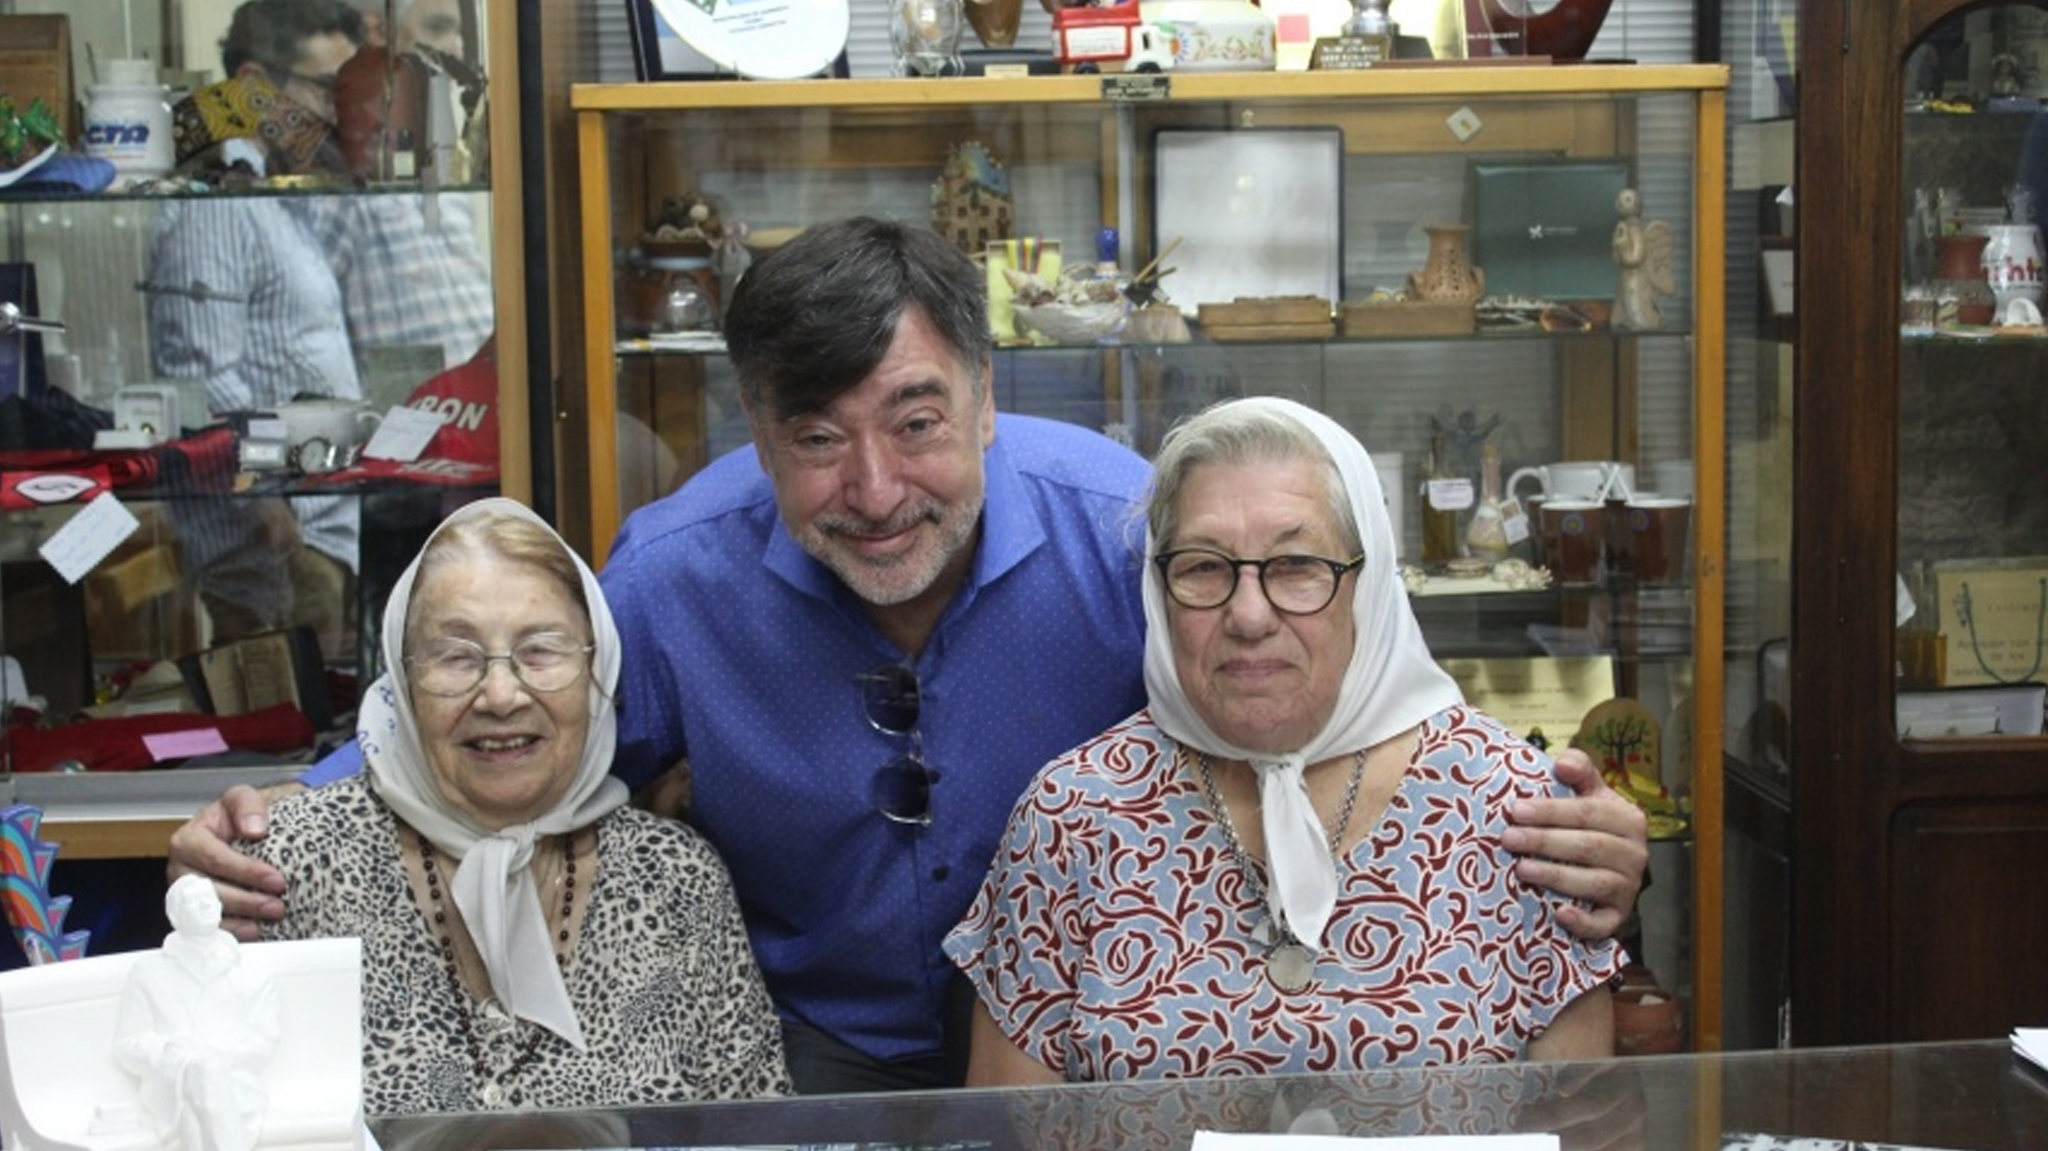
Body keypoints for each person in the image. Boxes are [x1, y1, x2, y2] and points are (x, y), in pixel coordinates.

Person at [169, 216, 1648, 1095]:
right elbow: (513, 724)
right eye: (815, 440)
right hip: (804, 1052)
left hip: (1106, 1053)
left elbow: (1322, 682)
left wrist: (1558, 825)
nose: (875, 489)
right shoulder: (679, 579)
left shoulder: (1132, 532)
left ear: (991, 395)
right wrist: (281, 819)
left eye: (917, 419)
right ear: (752, 430)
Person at [946, 396, 1620, 1082]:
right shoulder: (1073, 816)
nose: (1247, 614)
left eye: (1296, 564)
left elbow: (1582, 1125)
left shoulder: (1516, 808)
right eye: (1203, 567)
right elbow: (1011, 1126)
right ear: (1159, 588)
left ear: (1368, 583)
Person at [234, 497, 790, 1113]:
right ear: (402, 679)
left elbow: (755, 1125)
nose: (500, 695)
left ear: (596, 673)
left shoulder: (676, 878)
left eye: (541, 651)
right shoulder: (291, 862)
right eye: (455, 656)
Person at [145, 0, 369, 653]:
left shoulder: (276, 190)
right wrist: (265, 506)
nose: (335, 110)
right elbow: (202, 376)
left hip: (320, 523)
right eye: (324, 87)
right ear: (251, 86)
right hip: (274, 545)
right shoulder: (217, 202)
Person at [113, 876, 281, 1151]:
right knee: (194, 1088)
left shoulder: (251, 972)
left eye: (209, 898)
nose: (205, 905)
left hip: (236, 1085)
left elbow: (263, 1040)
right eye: (193, 900)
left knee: (198, 1099)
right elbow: (126, 1045)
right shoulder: (148, 972)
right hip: (169, 1084)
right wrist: (170, 1052)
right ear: (174, 914)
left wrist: (208, 1056)